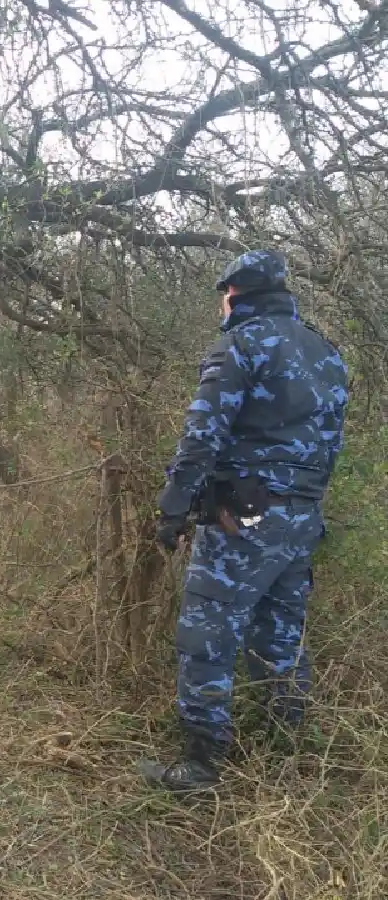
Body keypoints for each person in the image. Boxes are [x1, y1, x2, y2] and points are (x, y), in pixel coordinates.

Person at [141, 249, 348, 793]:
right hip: (302, 516)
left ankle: (200, 764)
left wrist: (173, 507)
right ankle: (286, 750)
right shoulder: (328, 354)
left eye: (223, 295)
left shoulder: (240, 344)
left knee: (207, 633)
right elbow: (330, 447)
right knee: (280, 636)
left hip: (243, 516)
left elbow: (202, 435)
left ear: (234, 294)